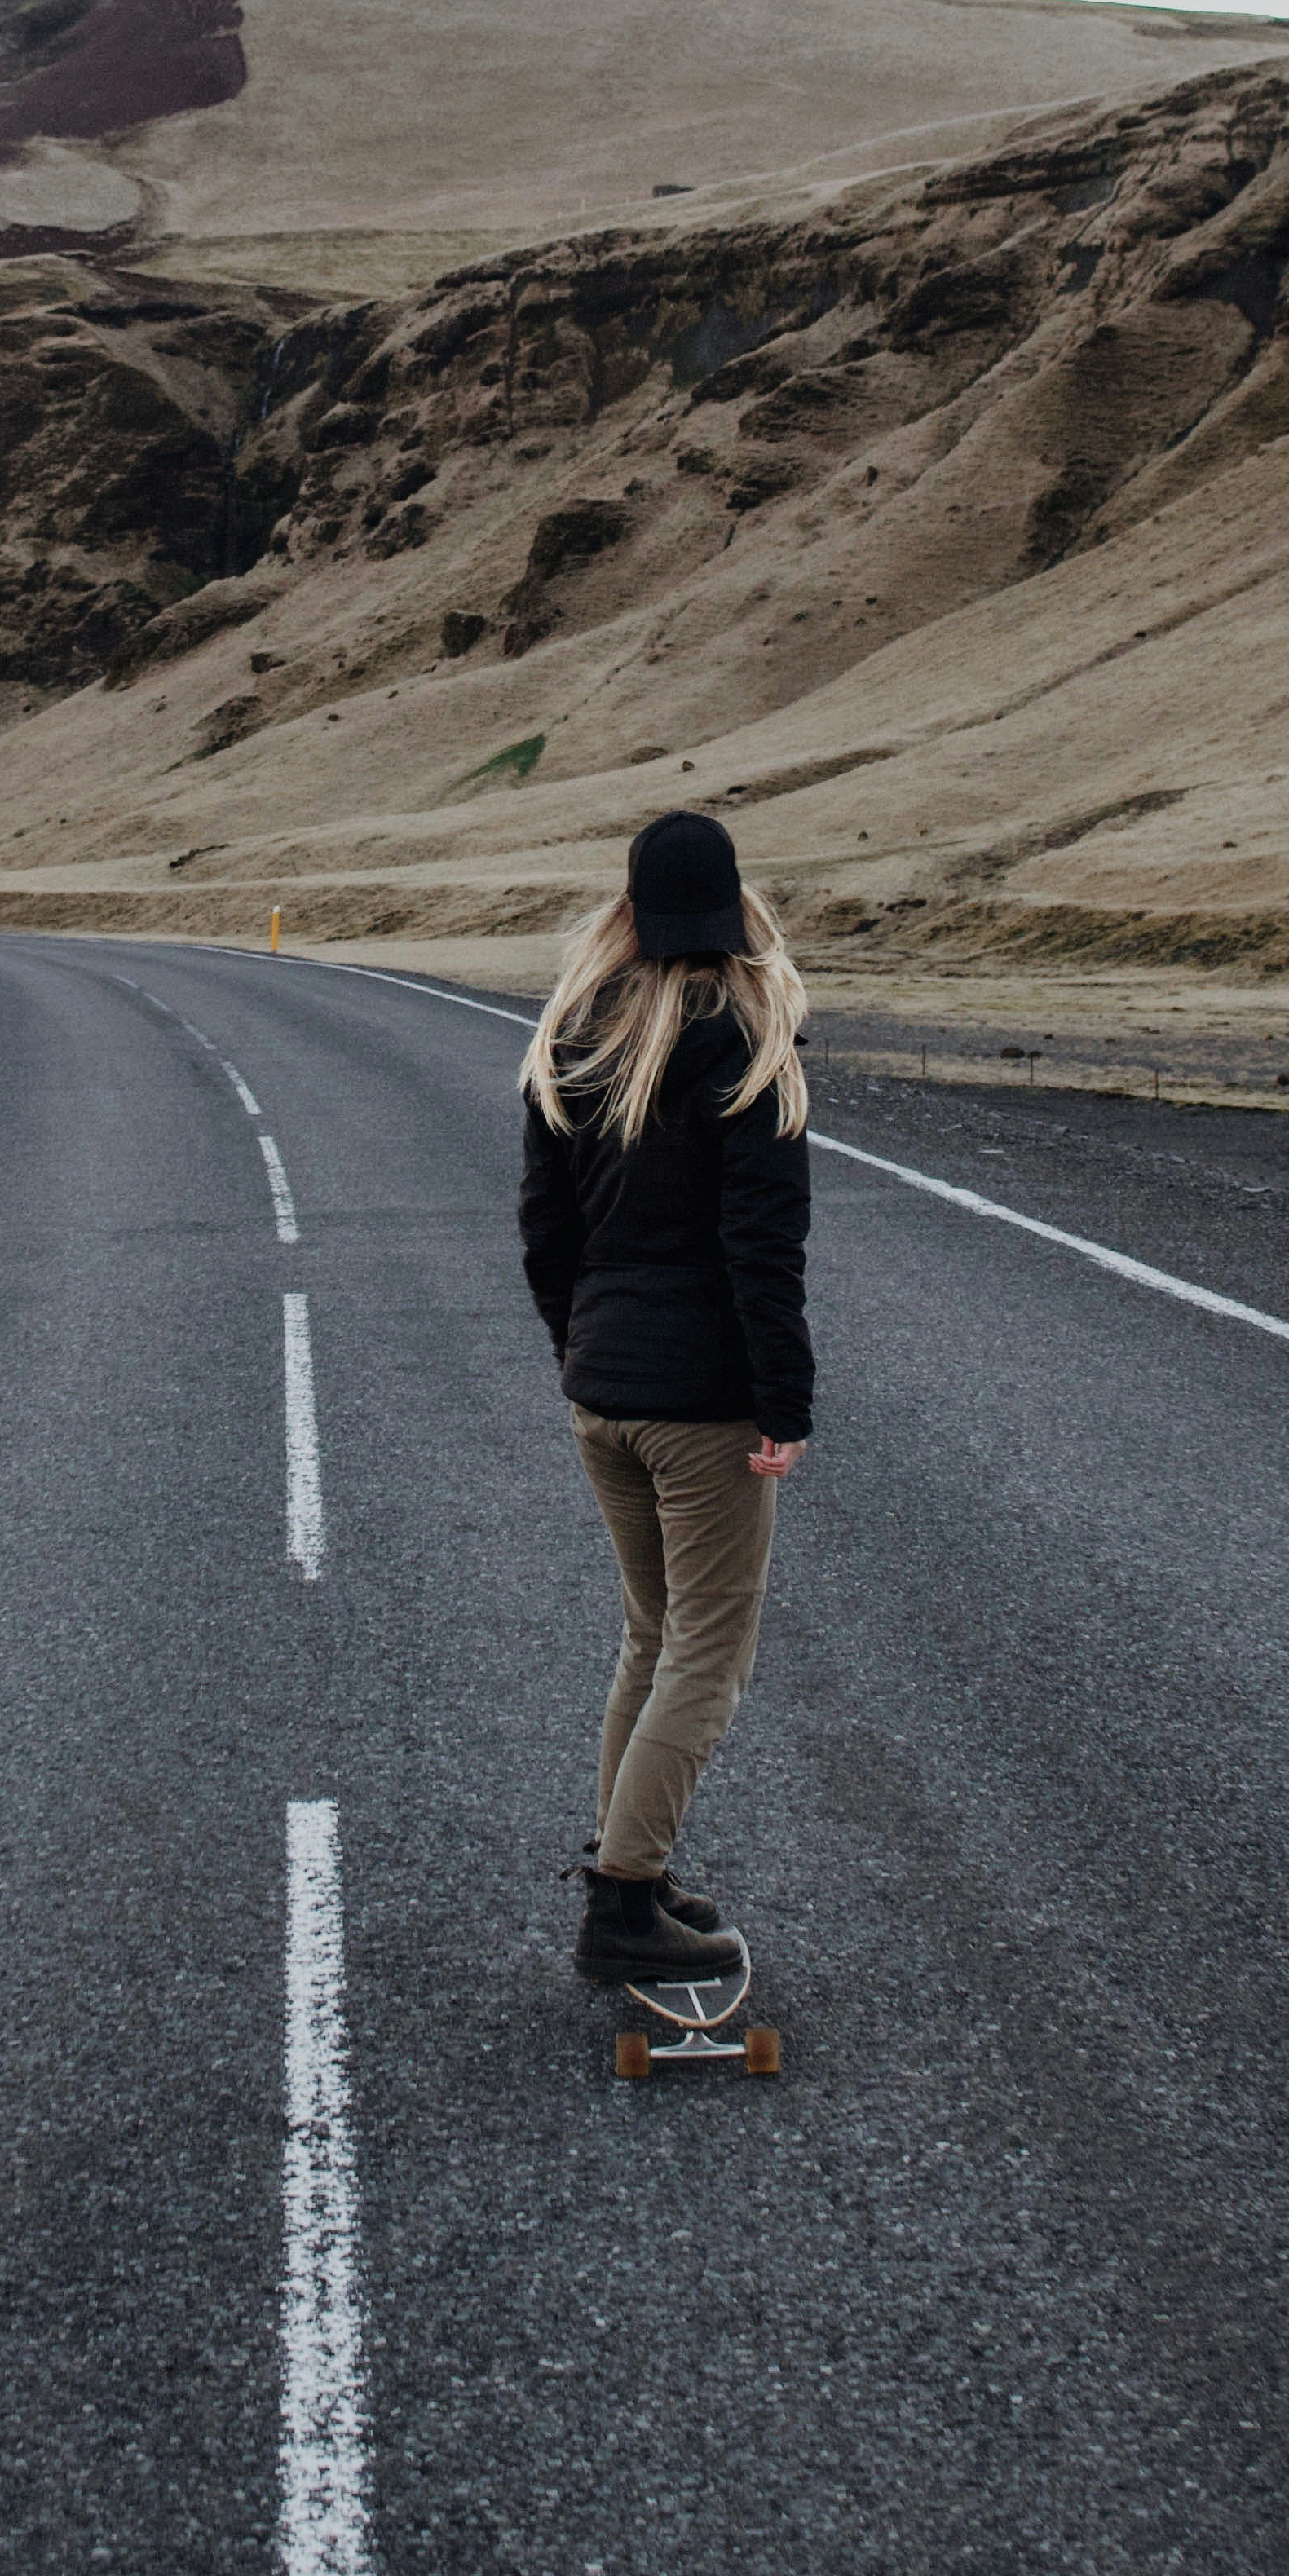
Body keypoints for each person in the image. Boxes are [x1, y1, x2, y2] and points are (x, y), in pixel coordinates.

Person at [517, 809, 813, 1985]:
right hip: (701, 1406)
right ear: (739, 913)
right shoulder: (748, 1046)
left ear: (628, 914)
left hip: (605, 1394)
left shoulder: (570, 1040)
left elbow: (547, 1234)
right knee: (708, 1656)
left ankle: (630, 1864)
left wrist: (582, 1353)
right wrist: (783, 1405)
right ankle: (625, 1901)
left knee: (650, 1637)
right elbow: (764, 1251)